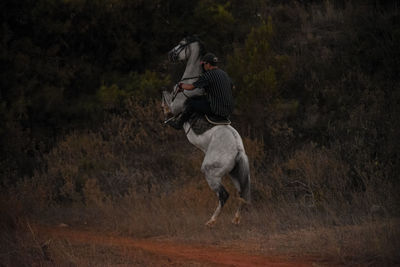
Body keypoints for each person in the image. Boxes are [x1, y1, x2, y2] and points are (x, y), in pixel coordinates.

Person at [168, 52, 235, 130]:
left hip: (216, 111)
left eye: (204, 64)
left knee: (191, 103)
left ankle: (178, 124)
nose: (203, 66)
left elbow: (191, 87)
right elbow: (233, 87)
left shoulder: (208, 75)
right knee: (200, 98)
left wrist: (181, 85)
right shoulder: (224, 74)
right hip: (229, 110)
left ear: (208, 64)